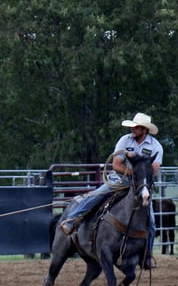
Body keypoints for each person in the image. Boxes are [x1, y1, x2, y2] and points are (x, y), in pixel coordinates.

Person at [58, 112, 163, 270]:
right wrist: (134, 173)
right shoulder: (124, 140)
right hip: (120, 180)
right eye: (133, 127)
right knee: (96, 195)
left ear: (144, 129)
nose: (133, 130)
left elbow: (154, 169)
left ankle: (146, 255)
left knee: (152, 222)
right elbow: (116, 165)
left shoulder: (155, 146)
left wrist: (140, 175)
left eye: (136, 127)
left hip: (142, 186)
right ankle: (73, 220)